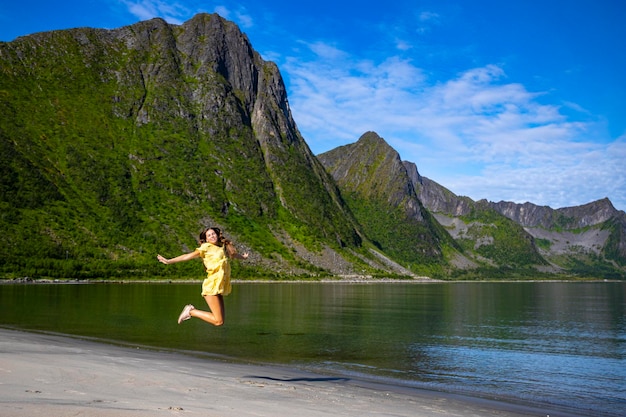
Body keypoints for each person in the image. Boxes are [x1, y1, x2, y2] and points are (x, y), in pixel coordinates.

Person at [157, 227, 248, 326]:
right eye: (209, 235)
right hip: (211, 286)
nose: (212, 236)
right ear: (206, 239)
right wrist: (169, 261)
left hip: (219, 286)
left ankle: (191, 311)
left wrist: (243, 257)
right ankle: (191, 311)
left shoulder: (221, 247)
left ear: (217, 235)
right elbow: (187, 256)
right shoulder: (205, 248)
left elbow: (233, 255)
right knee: (218, 321)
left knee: (220, 321)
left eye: (213, 234)